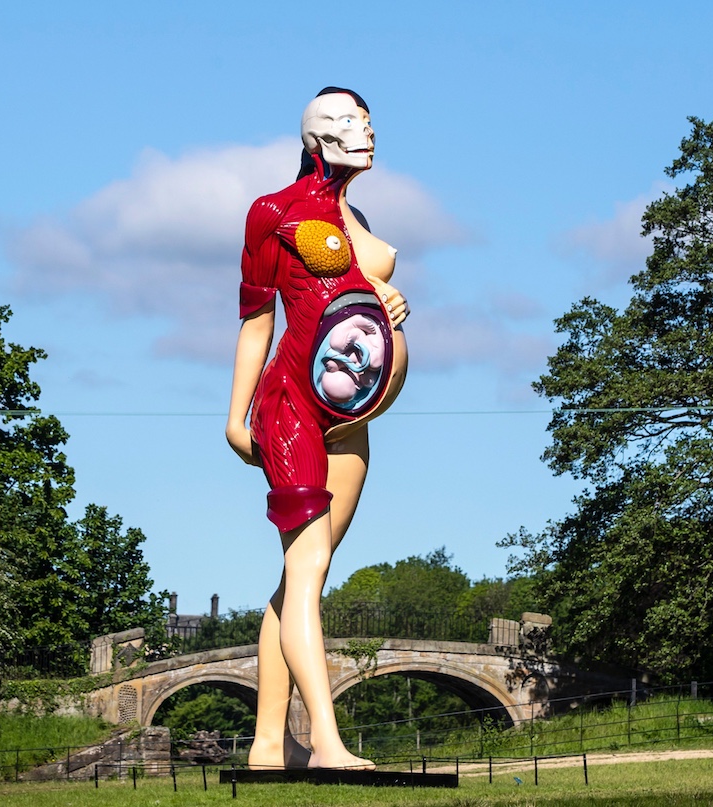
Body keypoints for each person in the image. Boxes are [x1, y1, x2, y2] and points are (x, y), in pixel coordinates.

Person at [225, 87, 409, 771]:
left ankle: (268, 745)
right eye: (349, 122)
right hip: (292, 408)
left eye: (368, 121)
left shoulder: (356, 215)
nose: (366, 132)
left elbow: (350, 295)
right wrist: (235, 414)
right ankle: (328, 742)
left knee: (300, 578)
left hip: (351, 421)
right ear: (316, 137)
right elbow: (257, 320)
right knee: (308, 570)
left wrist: (385, 299)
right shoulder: (272, 212)